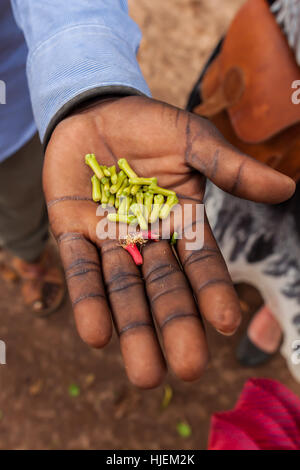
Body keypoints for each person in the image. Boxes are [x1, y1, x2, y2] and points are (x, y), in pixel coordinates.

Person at [0, 0, 296, 388]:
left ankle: (29, 257)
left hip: (17, 111)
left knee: (21, 200)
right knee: (15, 214)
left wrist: (84, 84)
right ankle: (26, 255)